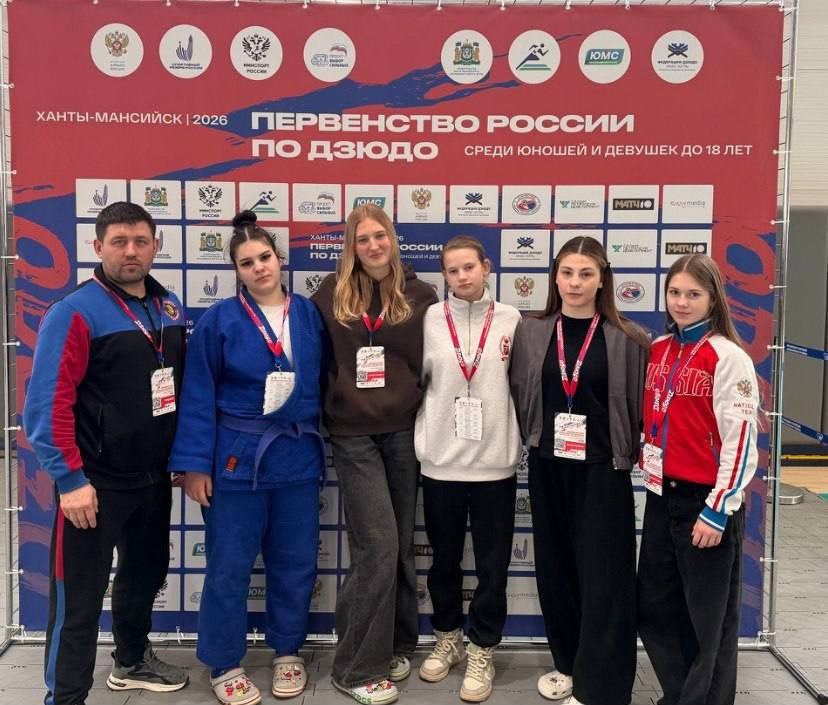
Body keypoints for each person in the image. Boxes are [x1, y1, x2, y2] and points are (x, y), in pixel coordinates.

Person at [23, 202, 188, 705]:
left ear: (156, 246)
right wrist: (71, 480)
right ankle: (66, 697)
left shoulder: (168, 307)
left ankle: (131, 662)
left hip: (153, 479)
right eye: (119, 242)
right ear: (98, 247)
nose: (130, 251)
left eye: (140, 241)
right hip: (93, 485)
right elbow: (46, 405)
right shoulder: (74, 312)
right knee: (79, 600)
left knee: (144, 577)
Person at [168, 211, 326, 705]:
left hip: (298, 458)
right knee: (228, 567)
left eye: (264, 257)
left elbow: (327, 381)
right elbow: (197, 394)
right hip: (237, 461)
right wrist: (195, 466)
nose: (259, 268)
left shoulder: (308, 314)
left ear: (279, 259)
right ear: (236, 270)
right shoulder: (218, 321)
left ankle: (287, 650)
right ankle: (224, 661)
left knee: (295, 562)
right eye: (247, 262)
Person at [509, 235, 650, 705]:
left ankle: (602, 689)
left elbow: (640, 408)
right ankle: (568, 664)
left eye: (586, 274)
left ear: (602, 279)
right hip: (548, 466)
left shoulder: (629, 338)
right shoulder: (532, 332)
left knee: (605, 579)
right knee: (557, 571)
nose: (575, 283)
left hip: (602, 469)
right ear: (555, 277)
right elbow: (521, 392)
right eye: (567, 273)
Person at [312, 204, 438, 705]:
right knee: (378, 546)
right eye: (362, 239)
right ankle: (355, 668)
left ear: (393, 238)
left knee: (400, 544)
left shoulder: (421, 294)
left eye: (379, 236)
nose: (373, 246)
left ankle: (396, 644)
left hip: (404, 431)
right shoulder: (330, 293)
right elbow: (315, 359)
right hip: (353, 435)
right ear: (352, 246)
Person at [637, 254, 759, 705]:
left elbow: (741, 440)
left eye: (693, 294)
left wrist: (718, 508)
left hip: (706, 502)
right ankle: (680, 694)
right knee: (656, 606)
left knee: (709, 620)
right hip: (661, 496)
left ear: (713, 299)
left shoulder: (728, 357)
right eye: (674, 293)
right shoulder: (659, 350)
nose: (682, 302)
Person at [414, 236, 522, 703]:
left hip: (495, 466)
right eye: (453, 270)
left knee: (493, 568)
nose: (462, 277)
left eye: (469, 268)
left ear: (486, 267)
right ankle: (447, 638)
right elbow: (417, 383)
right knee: (443, 563)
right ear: (444, 276)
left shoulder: (512, 320)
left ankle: (482, 648)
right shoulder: (430, 319)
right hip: (441, 463)